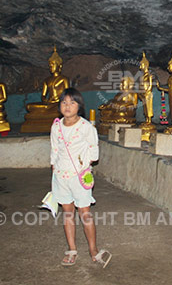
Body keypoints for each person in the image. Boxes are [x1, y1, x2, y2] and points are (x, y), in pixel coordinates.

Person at [50, 88, 111, 268]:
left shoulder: (86, 127)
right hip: (61, 176)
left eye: (72, 103)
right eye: (64, 102)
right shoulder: (56, 126)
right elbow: (54, 150)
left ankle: (93, 250)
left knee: (85, 213)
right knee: (68, 213)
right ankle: (72, 249)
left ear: (79, 106)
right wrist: (55, 168)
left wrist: (83, 168)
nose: (67, 106)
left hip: (80, 177)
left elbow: (94, 152)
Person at [156, 51, 172, 133]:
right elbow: (169, 89)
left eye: (169, 66)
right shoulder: (171, 76)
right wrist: (160, 88)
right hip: (171, 94)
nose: (168, 68)